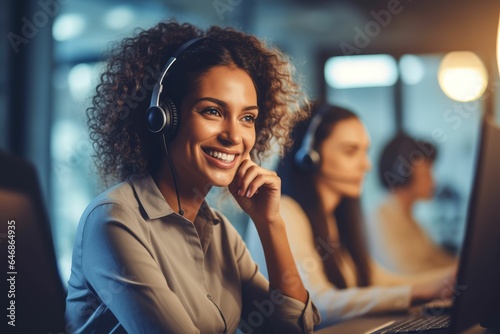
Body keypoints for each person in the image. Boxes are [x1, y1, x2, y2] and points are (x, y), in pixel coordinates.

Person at [65, 21, 320, 333]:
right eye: (212, 111)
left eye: (247, 118)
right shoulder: (115, 220)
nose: (234, 136)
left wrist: (271, 225)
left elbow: (296, 328)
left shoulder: (220, 232)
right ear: (163, 117)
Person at [275, 103, 455, 328]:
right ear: (310, 156)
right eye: (351, 151)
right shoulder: (285, 212)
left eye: (366, 151)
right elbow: (316, 303)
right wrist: (420, 291)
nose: (367, 165)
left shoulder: (336, 218)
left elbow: (379, 280)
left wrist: (449, 278)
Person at [366, 132, 458, 275]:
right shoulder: (381, 218)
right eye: (426, 173)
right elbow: (407, 274)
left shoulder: (412, 221)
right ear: (403, 173)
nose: (434, 181)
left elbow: (439, 260)